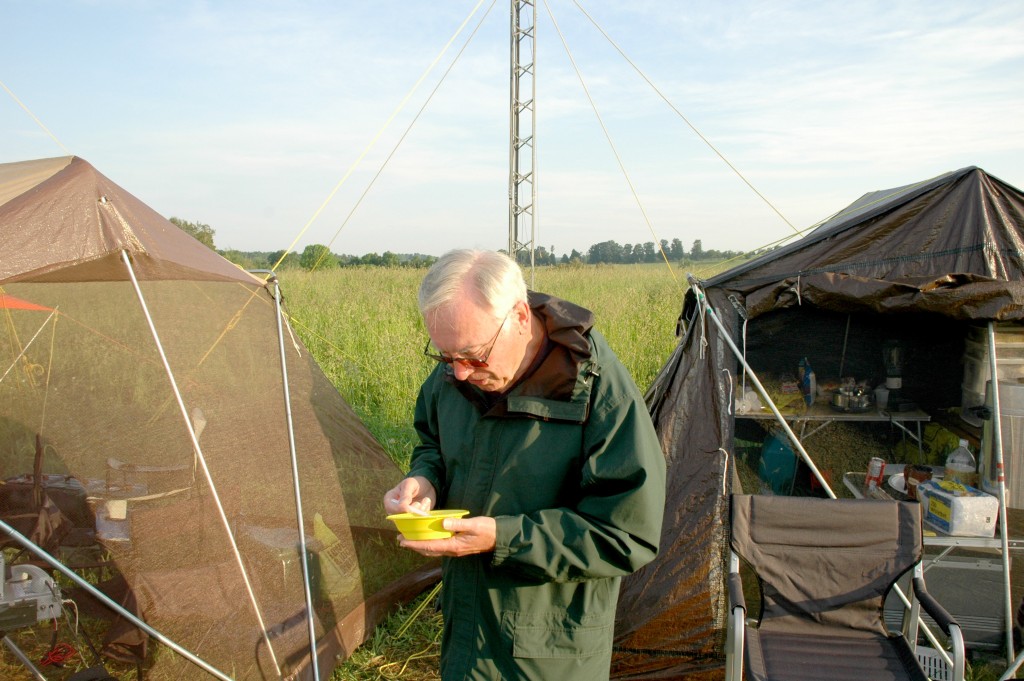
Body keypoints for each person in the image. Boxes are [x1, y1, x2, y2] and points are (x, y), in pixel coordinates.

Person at [383, 249, 666, 681]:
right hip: (466, 633)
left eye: (474, 355)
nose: (459, 373)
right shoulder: (456, 371)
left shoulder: (597, 392)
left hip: (548, 654)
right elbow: (433, 444)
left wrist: (504, 538)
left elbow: (626, 533)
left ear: (519, 316)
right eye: (444, 357)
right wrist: (424, 480)